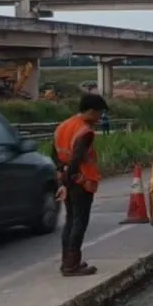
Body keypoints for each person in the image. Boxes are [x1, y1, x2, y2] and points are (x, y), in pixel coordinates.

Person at [52, 93, 108, 277]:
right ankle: (72, 265)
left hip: (66, 177)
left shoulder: (63, 126)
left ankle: (67, 261)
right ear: (91, 111)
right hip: (80, 182)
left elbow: (55, 155)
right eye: (99, 113)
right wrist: (74, 179)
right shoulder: (85, 132)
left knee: (70, 220)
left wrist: (63, 180)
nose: (100, 117)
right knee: (79, 222)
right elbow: (76, 159)